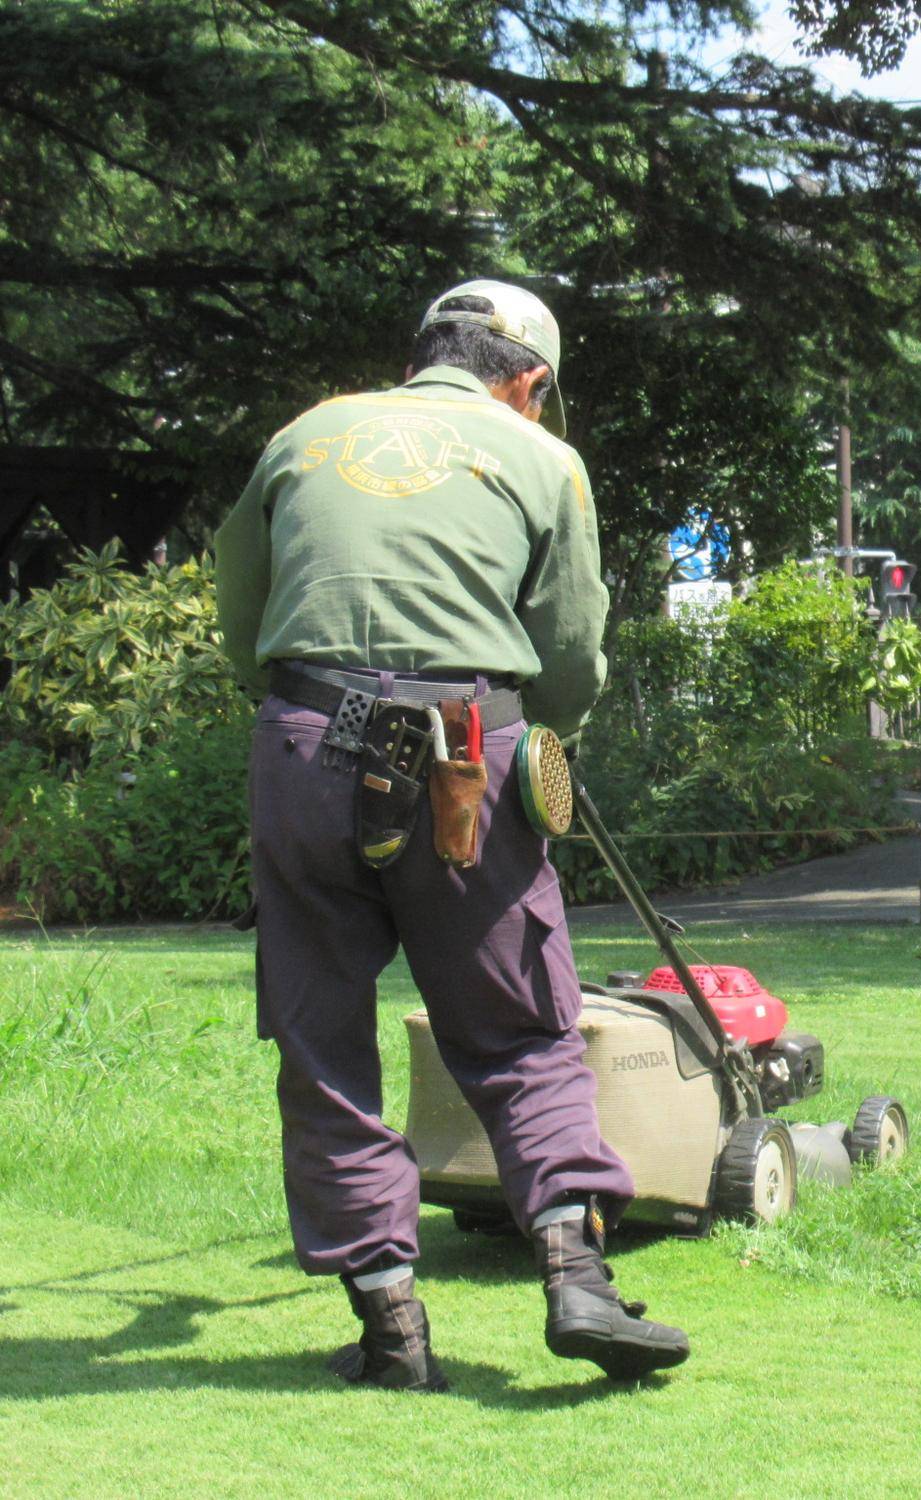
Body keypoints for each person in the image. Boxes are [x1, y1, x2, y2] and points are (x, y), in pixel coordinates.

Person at [214, 280, 687, 1391]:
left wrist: (302, 712)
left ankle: (389, 1332)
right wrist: (541, 740)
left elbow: (243, 607)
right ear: (527, 382)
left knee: (322, 1045)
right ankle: (575, 1278)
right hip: (464, 762)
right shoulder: (541, 461)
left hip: (298, 745)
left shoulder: (305, 435)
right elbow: (567, 652)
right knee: (520, 1026)